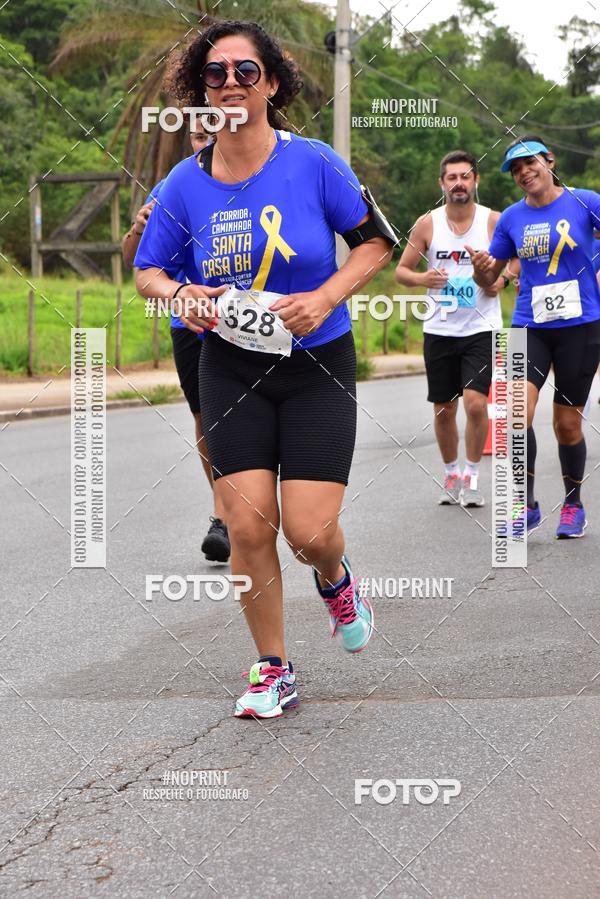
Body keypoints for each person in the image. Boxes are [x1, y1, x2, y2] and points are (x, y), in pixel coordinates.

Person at [134, 21, 394, 719]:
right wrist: (180, 293)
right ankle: (273, 666)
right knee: (247, 524)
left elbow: (376, 243)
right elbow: (148, 271)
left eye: (245, 72)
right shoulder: (184, 185)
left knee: (308, 531)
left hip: (317, 364)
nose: (229, 85)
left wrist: (325, 295)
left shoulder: (314, 162)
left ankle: (336, 580)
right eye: (214, 74)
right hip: (230, 365)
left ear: (272, 83)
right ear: (201, 90)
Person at [468, 135, 600, 538]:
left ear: (549, 161)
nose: (524, 172)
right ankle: (526, 506)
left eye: (530, 163)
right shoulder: (511, 218)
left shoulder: (586, 201)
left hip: (581, 326)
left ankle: (573, 506)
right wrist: (481, 267)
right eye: (516, 169)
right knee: (514, 415)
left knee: (567, 425)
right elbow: (489, 280)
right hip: (529, 325)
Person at [122, 124, 231, 564]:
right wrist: (138, 227)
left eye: (212, 133)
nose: (204, 142)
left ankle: (252, 506)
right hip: (191, 320)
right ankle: (223, 515)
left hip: (250, 316)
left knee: (254, 415)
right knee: (207, 420)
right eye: (197, 135)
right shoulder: (177, 182)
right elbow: (137, 259)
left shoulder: (258, 172)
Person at [395, 150, 510, 508]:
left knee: (476, 404)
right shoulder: (428, 224)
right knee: (444, 408)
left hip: (482, 326)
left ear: (476, 180)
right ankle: (451, 473)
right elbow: (402, 270)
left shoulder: (493, 221)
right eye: (451, 177)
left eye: (465, 176)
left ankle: (473, 476)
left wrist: (501, 280)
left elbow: (515, 261)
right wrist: (422, 278)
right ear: (442, 183)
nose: (458, 183)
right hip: (440, 327)